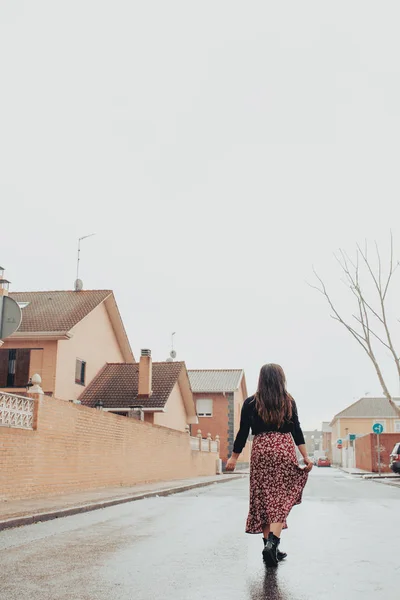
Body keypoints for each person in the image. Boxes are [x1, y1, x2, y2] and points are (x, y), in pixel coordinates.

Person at [226, 363, 312, 567]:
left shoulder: (250, 403)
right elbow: (296, 430)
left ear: (261, 379)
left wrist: (234, 457)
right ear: (281, 379)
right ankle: (272, 544)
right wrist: (305, 457)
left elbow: (242, 432)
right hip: (283, 449)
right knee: (281, 499)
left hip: (261, 451)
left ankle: (270, 546)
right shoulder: (288, 401)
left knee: (264, 499)